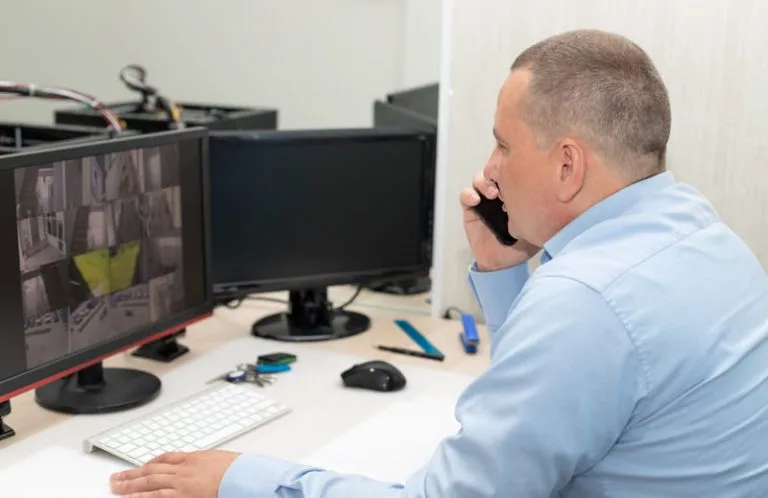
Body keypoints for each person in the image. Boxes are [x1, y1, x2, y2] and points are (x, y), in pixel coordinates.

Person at [109, 29, 768, 497]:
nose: (490, 170)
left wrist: (238, 478)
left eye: (504, 146)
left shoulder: (587, 300)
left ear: (568, 165)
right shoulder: (701, 233)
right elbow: (561, 401)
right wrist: (506, 272)